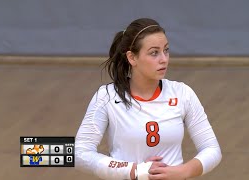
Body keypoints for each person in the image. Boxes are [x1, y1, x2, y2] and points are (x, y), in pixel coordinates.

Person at [75, 18, 222, 180]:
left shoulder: (182, 93)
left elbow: (212, 149)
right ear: (132, 58)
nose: (164, 59)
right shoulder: (107, 97)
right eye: (154, 53)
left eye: (166, 50)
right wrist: (135, 170)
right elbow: (80, 153)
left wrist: (183, 171)